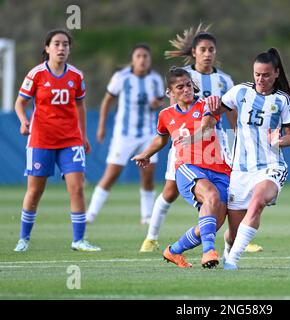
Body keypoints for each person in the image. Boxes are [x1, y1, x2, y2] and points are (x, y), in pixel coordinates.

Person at [139, 25, 263, 254]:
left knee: (226, 195)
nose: (208, 54)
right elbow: (173, 113)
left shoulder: (225, 80)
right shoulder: (185, 76)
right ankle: (151, 237)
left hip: (215, 143)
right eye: (203, 50)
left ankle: (237, 236)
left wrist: (239, 139)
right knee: (170, 191)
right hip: (184, 143)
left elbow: (232, 111)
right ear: (194, 53)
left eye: (211, 50)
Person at [207, 48, 290, 270]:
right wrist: (211, 106)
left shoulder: (283, 101)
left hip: (271, 166)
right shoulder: (239, 92)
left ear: (276, 73)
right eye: (257, 74)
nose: (261, 79)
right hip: (240, 170)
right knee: (233, 232)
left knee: (258, 200)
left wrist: (279, 141)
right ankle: (229, 250)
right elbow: (215, 111)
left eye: (266, 75)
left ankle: (233, 260)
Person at [132, 67, 231, 268]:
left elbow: (208, 125)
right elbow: (161, 139)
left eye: (188, 85)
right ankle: (209, 252)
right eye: (180, 87)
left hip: (218, 167)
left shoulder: (206, 105)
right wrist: (146, 154)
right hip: (188, 167)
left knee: (214, 221)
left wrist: (193, 136)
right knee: (210, 196)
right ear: (170, 93)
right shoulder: (166, 115)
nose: (186, 90)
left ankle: (174, 251)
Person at [13, 29, 100, 252]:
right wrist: (24, 121)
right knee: (35, 191)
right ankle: (23, 239)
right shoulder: (36, 74)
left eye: (65, 44)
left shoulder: (76, 76)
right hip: (41, 139)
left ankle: (78, 240)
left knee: (77, 187)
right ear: (47, 48)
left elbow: (80, 105)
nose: (61, 48)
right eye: (57, 44)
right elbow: (20, 103)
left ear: (69, 49)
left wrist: (83, 135)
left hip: (70, 139)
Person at [86, 43, 165, 225]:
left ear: (150, 59)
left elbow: (160, 100)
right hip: (124, 134)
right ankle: (90, 214)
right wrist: (101, 126)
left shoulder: (155, 79)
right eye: (139, 56)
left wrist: (156, 104)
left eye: (146, 56)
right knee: (111, 174)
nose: (142, 60)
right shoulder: (121, 77)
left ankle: (146, 216)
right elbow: (107, 101)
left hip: (148, 133)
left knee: (148, 174)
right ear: (133, 59)